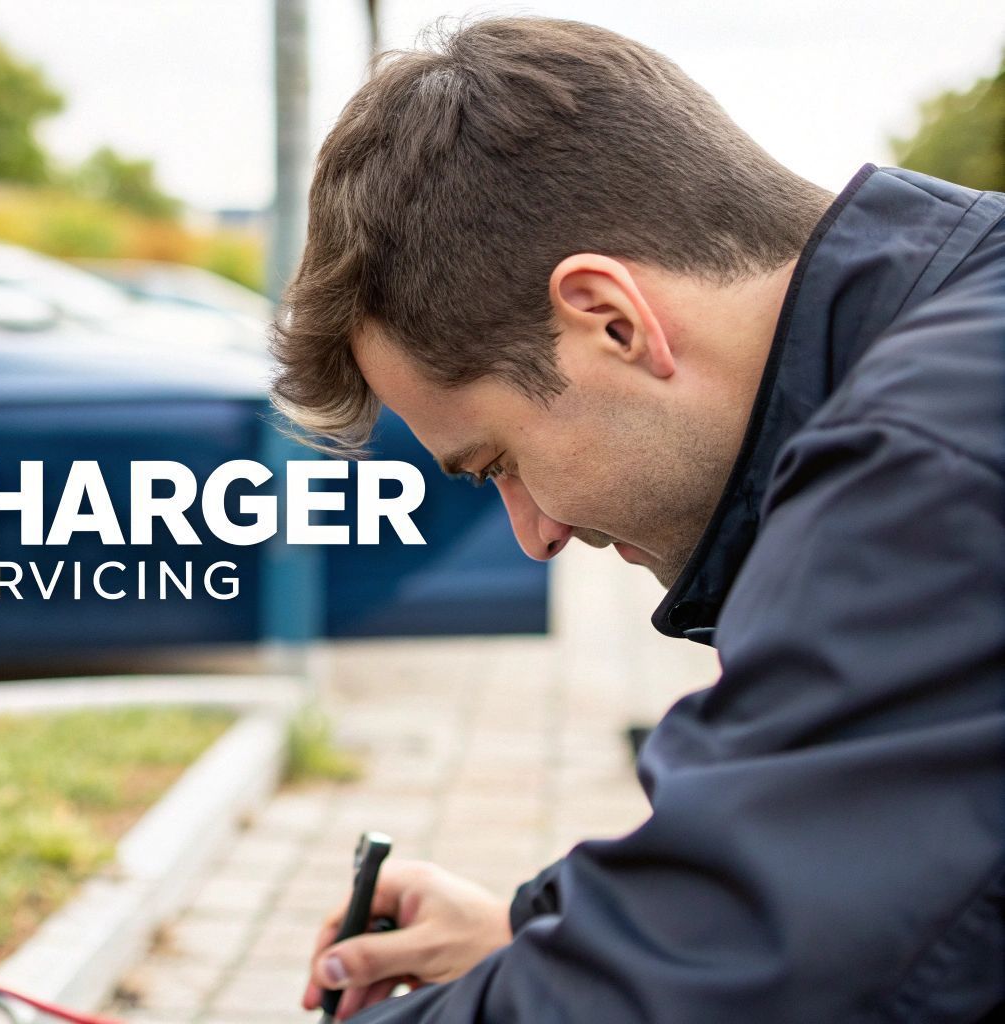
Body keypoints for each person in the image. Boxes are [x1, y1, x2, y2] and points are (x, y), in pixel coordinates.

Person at [273, 16, 1005, 1023]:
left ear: (610, 320)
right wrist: (532, 932)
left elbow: (726, 977)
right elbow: (843, 859)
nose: (534, 534)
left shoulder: (929, 465)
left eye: (499, 463)